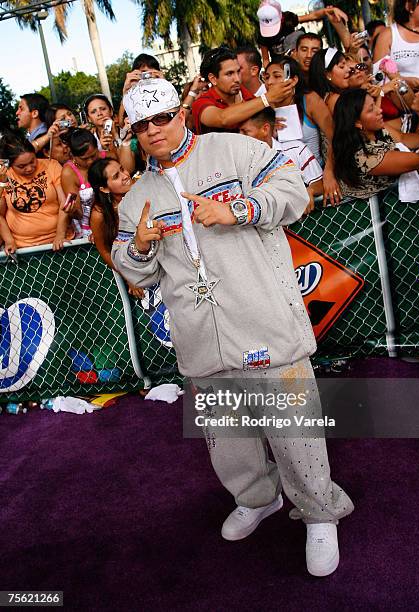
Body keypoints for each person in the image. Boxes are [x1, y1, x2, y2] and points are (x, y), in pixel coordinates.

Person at [112, 76, 354, 578]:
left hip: (264, 319)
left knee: (294, 430)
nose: (155, 131)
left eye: (162, 118)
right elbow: (135, 271)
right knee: (228, 434)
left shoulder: (236, 148)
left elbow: (293, 193)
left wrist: (236, 209)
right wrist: (137, 247)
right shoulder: (137, 197)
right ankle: (256, 497)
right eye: (142, 125)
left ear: (181, 113)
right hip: (201, 337)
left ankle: (318, 512)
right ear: (134, 132)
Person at [263, 57, 340, 204]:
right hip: (283, 185)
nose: (270, 82)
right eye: (266, 77)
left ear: (293, 80)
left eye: (277, 76)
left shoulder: (309, 100)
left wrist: (329, 173)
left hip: (316, 178)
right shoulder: (263, 110)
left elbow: (334, 137)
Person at [332, 88, 419, 199]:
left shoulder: (376, 129)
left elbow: (403, 139)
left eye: (375, 104)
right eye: (371, 109)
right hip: (366, 212)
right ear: (357, 122)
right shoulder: (366, 158)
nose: (379, 110)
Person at [191, 46, 293, 135]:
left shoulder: (243, 93)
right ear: (213, 79)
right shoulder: (201, 103)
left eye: (238, 71)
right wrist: (267, 98)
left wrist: (267, 123)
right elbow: (222, 118)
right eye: (229, 74)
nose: (237, 79)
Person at [239, 107, 323, 213]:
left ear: (265, 129)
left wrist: (309, 191)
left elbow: (319, 184)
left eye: (245, 132)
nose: (240, 136)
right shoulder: (240, 161)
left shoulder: (296, 149)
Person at [0, 133, 72, 252]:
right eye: (21, 166)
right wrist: (9, 241)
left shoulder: (51, 165)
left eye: (32, 161)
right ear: (10, 165)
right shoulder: (4, 176)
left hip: (59, 241)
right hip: (22, 246)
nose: (29, 168)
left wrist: (60, 234)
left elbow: (64, 203)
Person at [88, 157, 143, 299]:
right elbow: (104, 251)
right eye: (116, 176)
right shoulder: (99, 214)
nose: (125, 176)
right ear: (104, 188)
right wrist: (128, 277)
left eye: (122, 169)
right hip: (135, 272)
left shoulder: (142, 188)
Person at [257, 0, 348, 65]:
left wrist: (328, 11)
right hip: (279, 65)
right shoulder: (263, 34)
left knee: (297, 35)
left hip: (294, 60)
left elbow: (313, 15)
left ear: (282, 18)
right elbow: (265, 59)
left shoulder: (288, 19)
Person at [373, 0, 419, 88]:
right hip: (402, 95)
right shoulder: (387, 35)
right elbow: (376, 79)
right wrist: (404, 81)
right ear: (408, 5)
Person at [61, 128, 102, 236]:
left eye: (93, 155)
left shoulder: (105, 158)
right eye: (84, 159)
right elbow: (79, 214)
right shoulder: (69, 172)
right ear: (73, 156)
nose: (90, 161)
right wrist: (72, 211)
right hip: (88, 232)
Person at [309, 47, 350, 114]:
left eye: (347, 65)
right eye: (341, 67)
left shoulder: (324, 97)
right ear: (328, 74)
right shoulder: (334, 100)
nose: (348, 69)